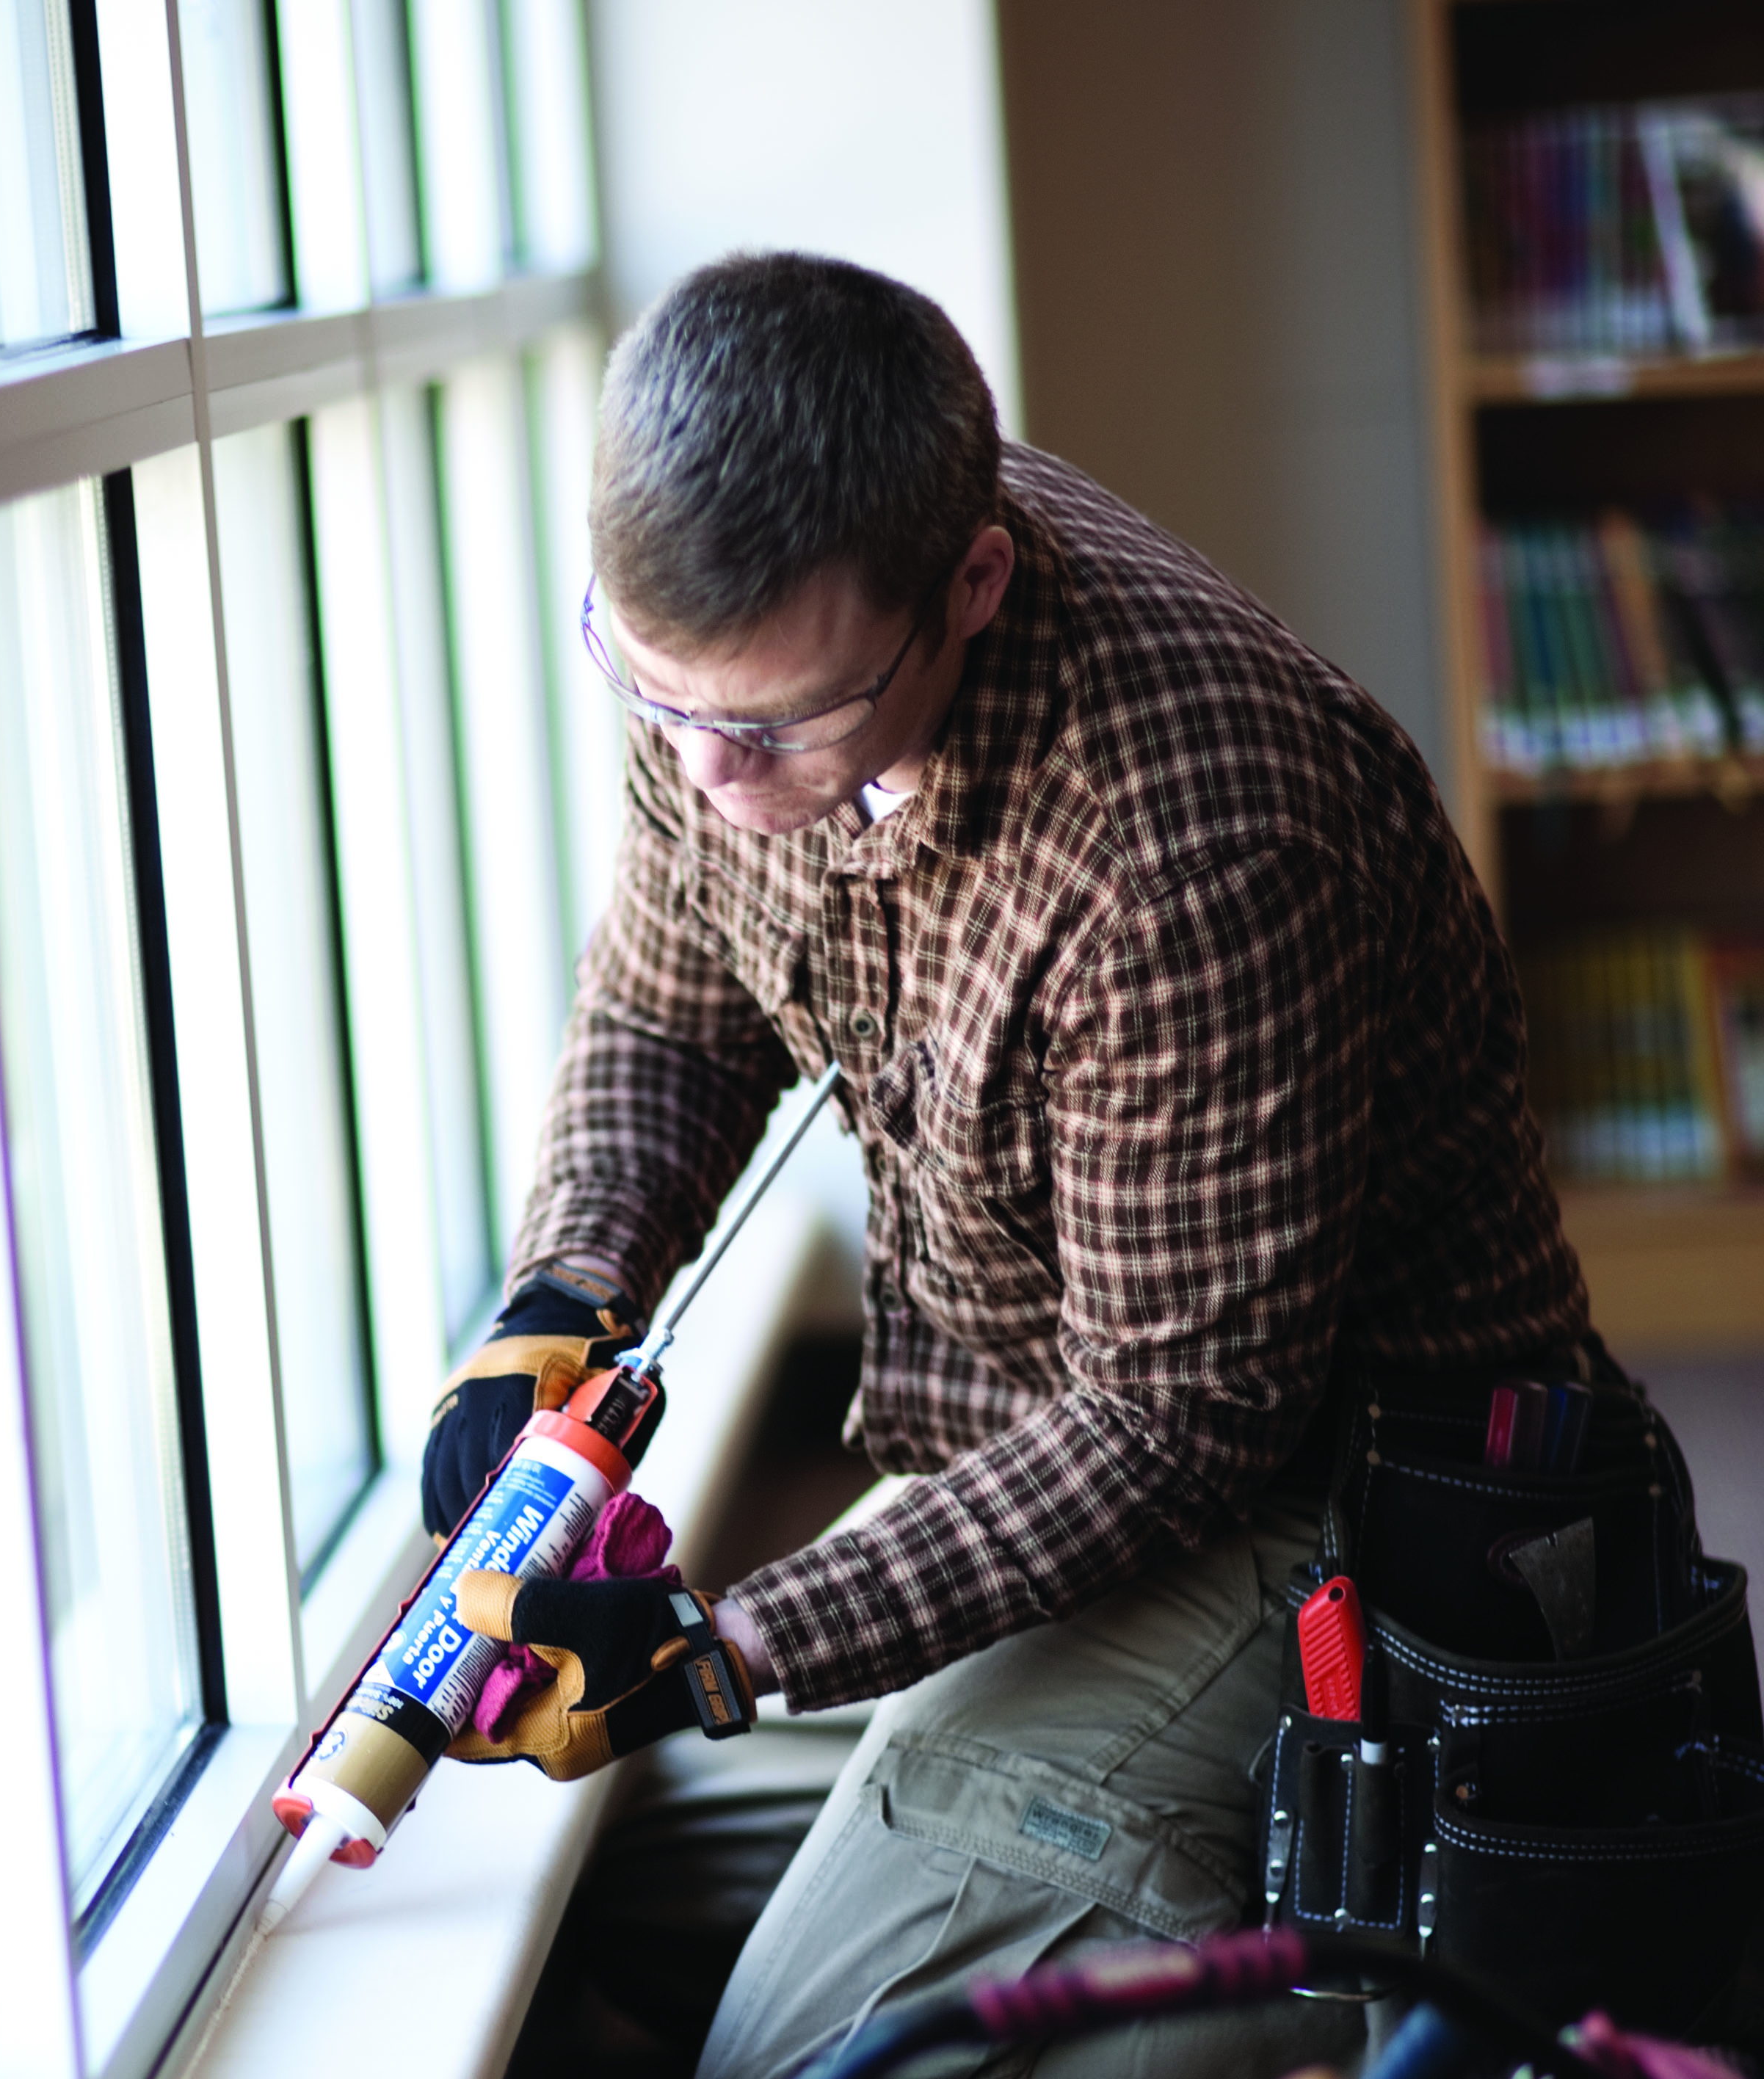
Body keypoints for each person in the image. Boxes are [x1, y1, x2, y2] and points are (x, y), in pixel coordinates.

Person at [422, 252, 1595, 2078]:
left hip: (1346, 1514)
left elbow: (1177, 1420)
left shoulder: (1187, 844)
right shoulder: (744, 640)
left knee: (807, 2056)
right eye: (657, 702)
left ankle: (1362, 1975)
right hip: (1052, 1444)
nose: (704, 776)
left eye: (768, 730)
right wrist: (556, 1297)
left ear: (969, 584)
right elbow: (670, 1018)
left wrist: (727, 1644)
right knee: (628, 1887)